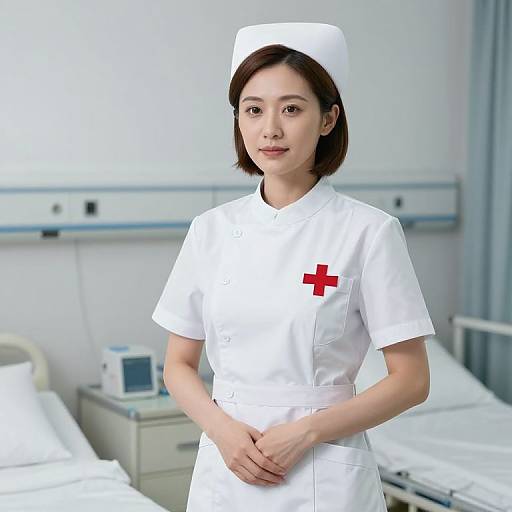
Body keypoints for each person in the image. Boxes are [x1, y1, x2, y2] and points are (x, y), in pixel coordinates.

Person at [152, 22, 435, 511]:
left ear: (328, 119)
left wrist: (305, 432)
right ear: (238, 120)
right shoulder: (210, 230)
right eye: (254, 109)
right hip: (228, 466)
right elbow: (178, 365)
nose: (271, 129)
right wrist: (222, 432)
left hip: (323, 469)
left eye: (292, 109)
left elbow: (411, 380)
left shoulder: (368, 232)